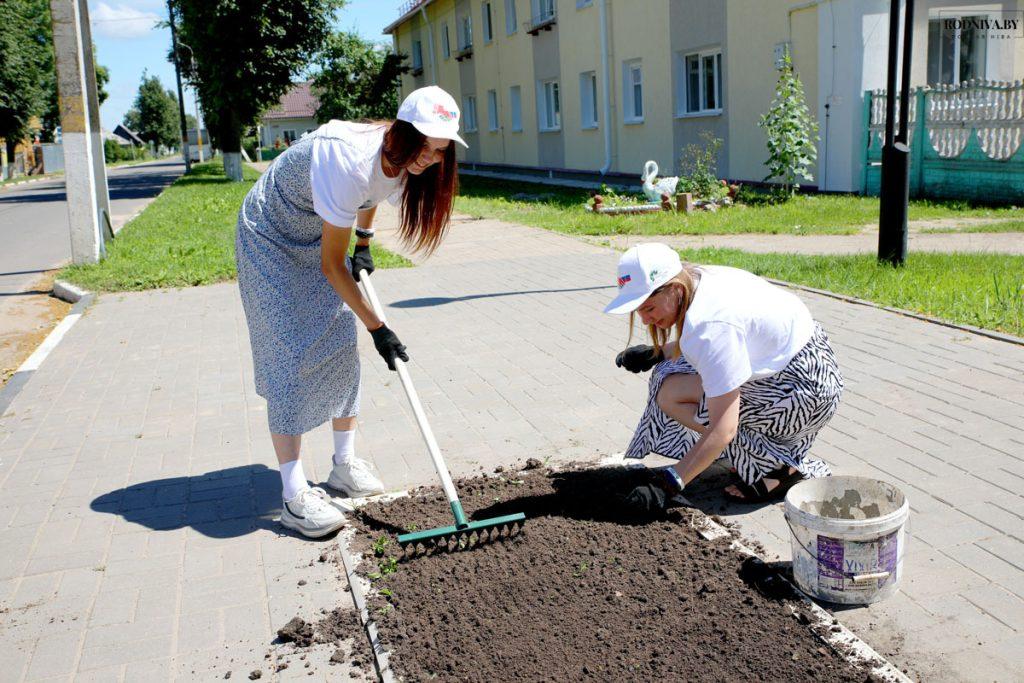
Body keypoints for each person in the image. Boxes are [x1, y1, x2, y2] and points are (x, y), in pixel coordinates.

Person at [235, 86, 466, 537]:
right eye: (426, 145)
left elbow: (373, 190)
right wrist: (379, 327)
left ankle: (343, 464)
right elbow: (330, 264)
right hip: (271, 237)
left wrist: (364, 240)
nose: (430, 159)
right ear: (402, 133)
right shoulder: (346, 159)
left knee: (340, 338)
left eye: (441, 152)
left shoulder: (399, 158)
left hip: (322, 229)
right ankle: (293, 493)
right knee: (290, 355)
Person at [604, 243, 843, 512]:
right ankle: (749, 456)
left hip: (804, 394)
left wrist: (670, 482)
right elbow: (729, 343)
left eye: (649, 308)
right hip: (811, 365)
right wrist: (658, 353)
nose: (645, 320)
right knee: (667, 377)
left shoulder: (710, 326)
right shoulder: (698, 277)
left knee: (675, 396)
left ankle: (779, 468)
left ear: (675, 289)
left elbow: (723, 427)